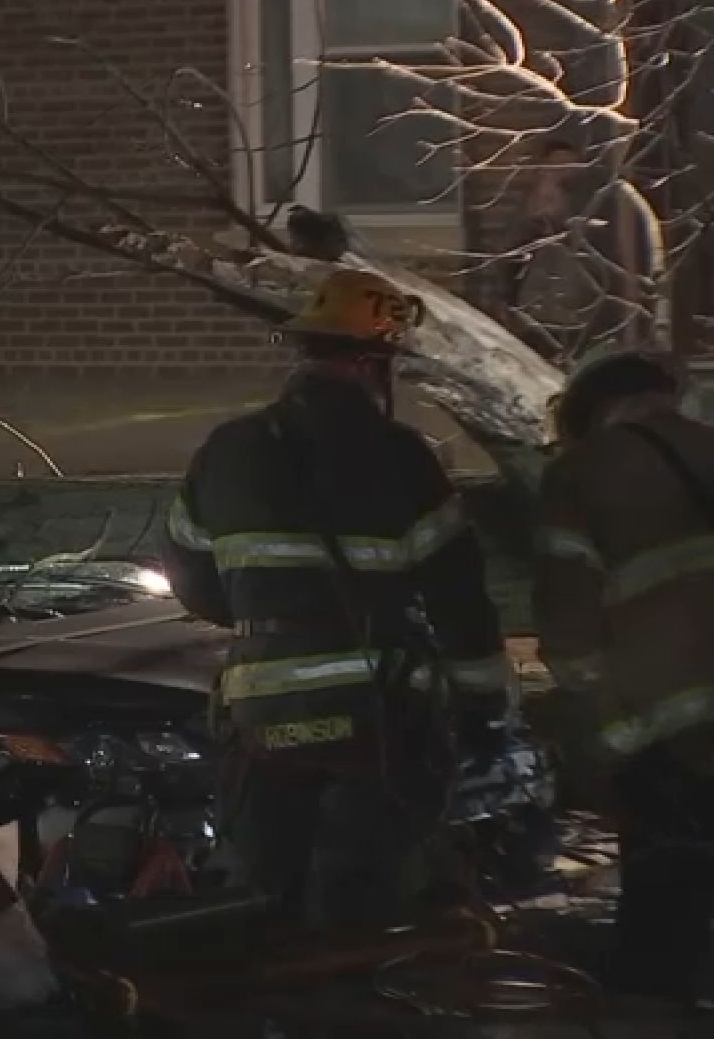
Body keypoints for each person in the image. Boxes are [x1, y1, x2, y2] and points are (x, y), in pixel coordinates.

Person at [158, 268, 515, 933]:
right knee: (367, 909)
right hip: (377, 716)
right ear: (371, 363)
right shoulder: (404, 457)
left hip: (263, 711)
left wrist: (268, 617)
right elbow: (460, 604)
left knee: (268, 900)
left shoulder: (228, 450)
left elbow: (191, 577)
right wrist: (485, 711)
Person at [533, 348, 714, 1009]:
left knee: (664, 907)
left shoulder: (582, 473)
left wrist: (598, 735)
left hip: (672, 733)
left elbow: (570, 636)